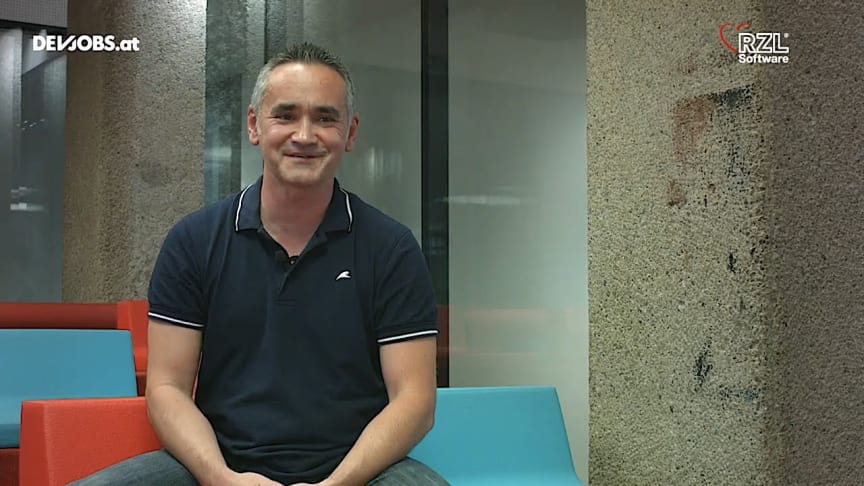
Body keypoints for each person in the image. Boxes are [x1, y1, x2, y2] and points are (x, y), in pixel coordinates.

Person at [73, 42, 448, 486]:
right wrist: (221, 478)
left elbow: (414, 401)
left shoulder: (392, 248)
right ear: (254, 125)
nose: (304, 135)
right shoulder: (193, 241)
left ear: (350, 133)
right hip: (218, 463)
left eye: (325, 118)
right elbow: (167, 388)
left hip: (361, 471)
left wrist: (336, 485)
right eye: (285, 116)